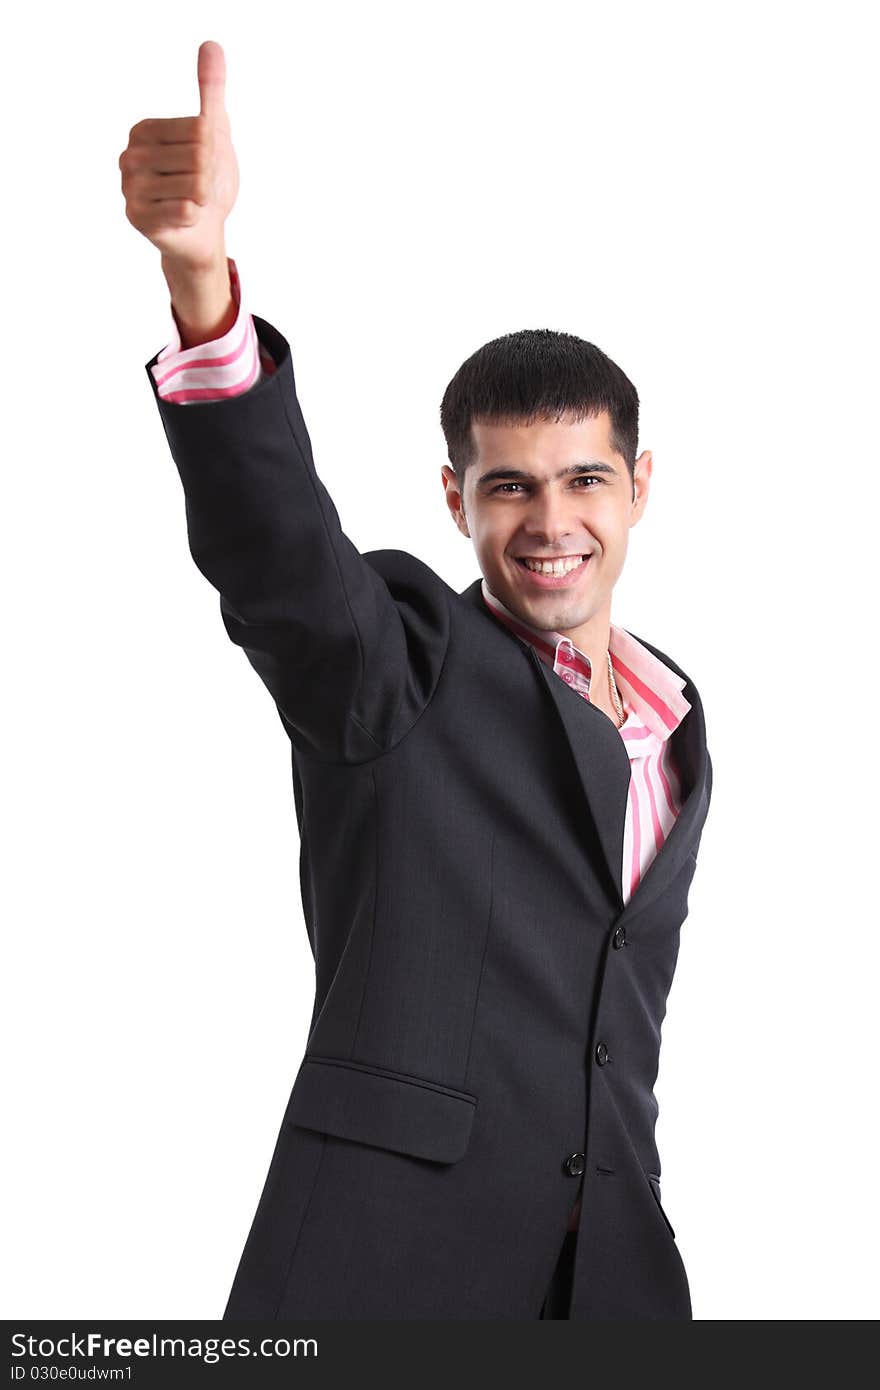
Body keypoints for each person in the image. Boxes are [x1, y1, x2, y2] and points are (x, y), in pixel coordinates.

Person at [119, 40, 713, 1320]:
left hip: (613, 1283)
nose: (549, 520)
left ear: (639, 487)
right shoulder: (402, 670)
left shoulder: (676, 729)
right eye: (508, 485)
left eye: (583, 480)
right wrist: (203, 287)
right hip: (386, 1273)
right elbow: (282, 564)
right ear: (456, 499)